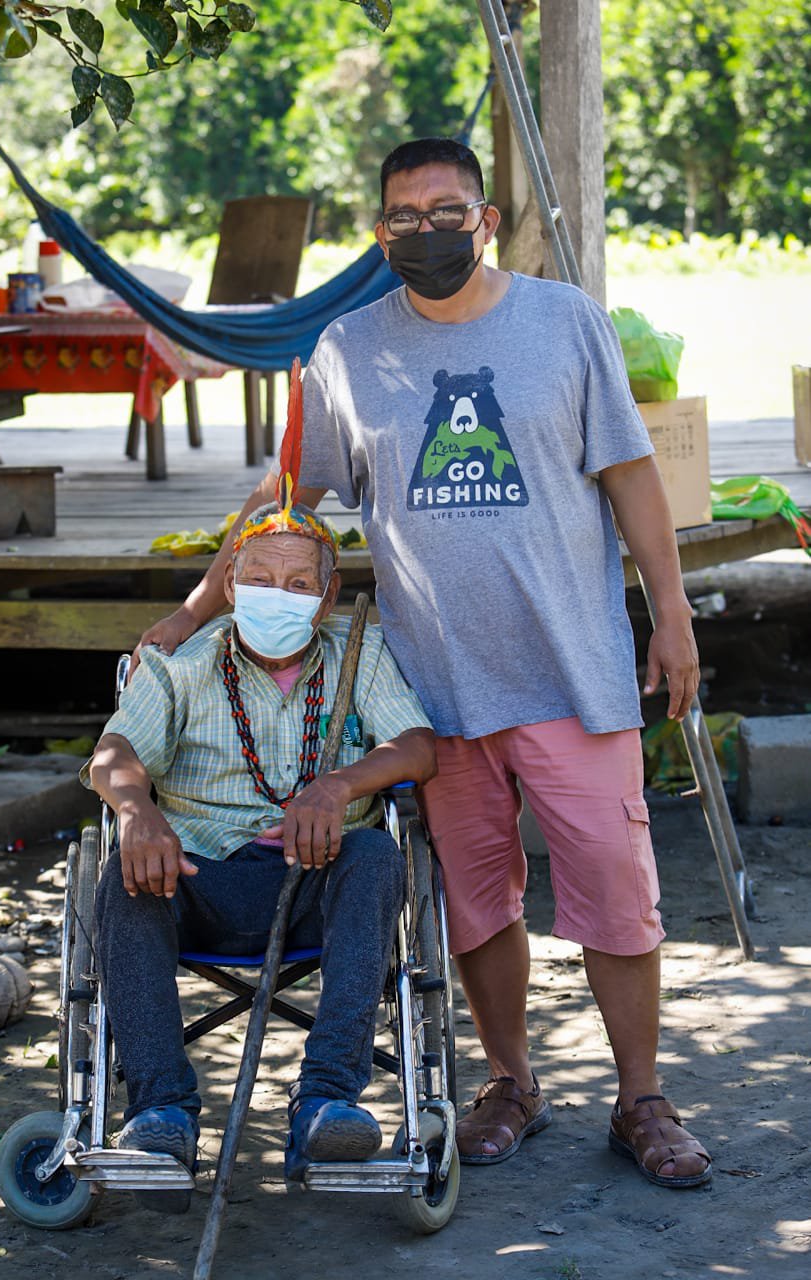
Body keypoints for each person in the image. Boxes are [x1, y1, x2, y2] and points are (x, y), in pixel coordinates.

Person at [133, 137, 711, 1190]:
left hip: (575, 672)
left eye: (449, 211)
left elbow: (631, 477)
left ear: (485, 219)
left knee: (617, 893)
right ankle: (510, 1081)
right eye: (404, 215)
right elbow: (285, 517)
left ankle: (642, 1097)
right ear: (380, 231)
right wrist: (187, 617)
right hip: (433, 690)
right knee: (477, 902)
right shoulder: (350, 350)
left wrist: (670, 616)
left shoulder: (565, 322)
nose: (428, 231)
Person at [88, 500, 436, 1213]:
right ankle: (160, 1116)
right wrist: (137, 810)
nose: (276, 595)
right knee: (122, 878)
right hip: (196, 881)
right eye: (258, 577)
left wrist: (337, 786)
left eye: (298, 583)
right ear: (230, 584)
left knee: (374, 854)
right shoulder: (183, 661)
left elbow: (417, 747)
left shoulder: (356, 651)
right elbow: (114, 754)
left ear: (327, 595)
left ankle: (324, 1104)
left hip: (318, 878)